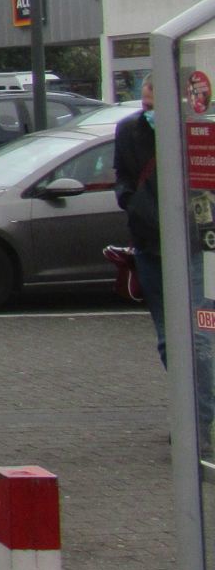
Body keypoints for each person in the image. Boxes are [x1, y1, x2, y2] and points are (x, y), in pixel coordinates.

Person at [116, 76, 212, 440]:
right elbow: (123, 178)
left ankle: (202, 423)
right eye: (144, 104)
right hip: (151, 246)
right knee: (168, 340)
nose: (148, 110)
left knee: (198, 338)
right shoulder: (130, 131)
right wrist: (133, 204)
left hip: (196, 247)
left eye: (154, 105)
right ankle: (194, 414)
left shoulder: (198, 132)